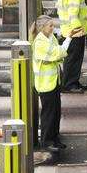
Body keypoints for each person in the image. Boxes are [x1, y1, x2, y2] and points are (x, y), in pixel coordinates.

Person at [30, 15, 80, 152]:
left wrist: (67, 38)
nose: (53, 28)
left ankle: (55, 137)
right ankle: (47, 141)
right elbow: (59, 53)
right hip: (45, 84)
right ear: (42, 28)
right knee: (48, 113)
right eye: (50, 25)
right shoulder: (40, 42)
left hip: (54, 81)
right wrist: (69, 38)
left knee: (56, 111)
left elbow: (59, 51)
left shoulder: (50, 37)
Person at [57, 0, 87, 93]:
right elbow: (73, 13)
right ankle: (70, 84)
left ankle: (73, 81)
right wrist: (78, 30)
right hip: (75, 31)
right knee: (74, 59)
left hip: (68, 30)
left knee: (71, 58)